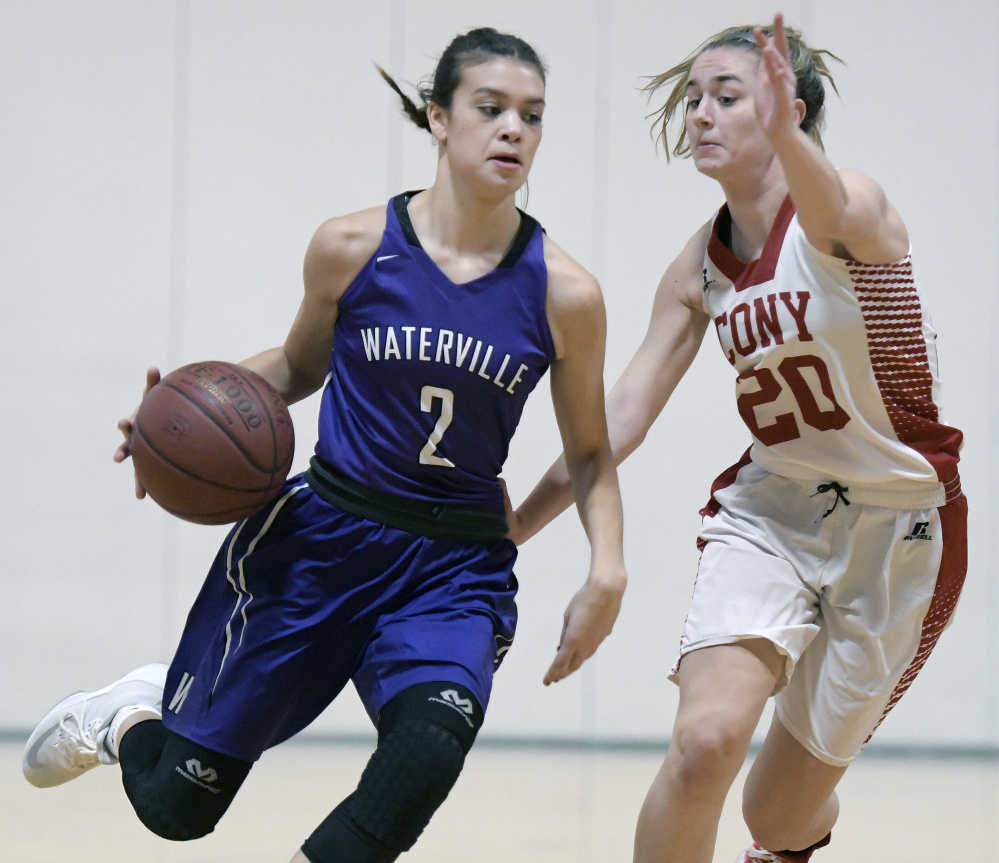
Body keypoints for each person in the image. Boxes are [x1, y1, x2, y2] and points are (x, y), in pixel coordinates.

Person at [22, 27, 627, 863]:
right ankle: (127, 714)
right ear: (438, 119)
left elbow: (590, 451)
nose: (513, 130)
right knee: (175, 808)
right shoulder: (352, 247)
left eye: (531, 115)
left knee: (424, 752)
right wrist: (168, 416)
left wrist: (607, 567)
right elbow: (298, 364)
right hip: (322, 541)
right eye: (489, 108)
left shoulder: (566, 292)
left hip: (453, 569)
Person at [506, 14, 966, 863]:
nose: (701, 116)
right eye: (693, 99)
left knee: (775, 814)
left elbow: (825, 197)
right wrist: (517, 527)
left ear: (791, 109)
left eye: (727, 97)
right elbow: (620, 417)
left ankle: (789, 844)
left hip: (900, 528)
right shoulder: (698, 268)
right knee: (704, 744)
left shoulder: (848, 211)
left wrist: (794, 139)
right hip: (774, 511)